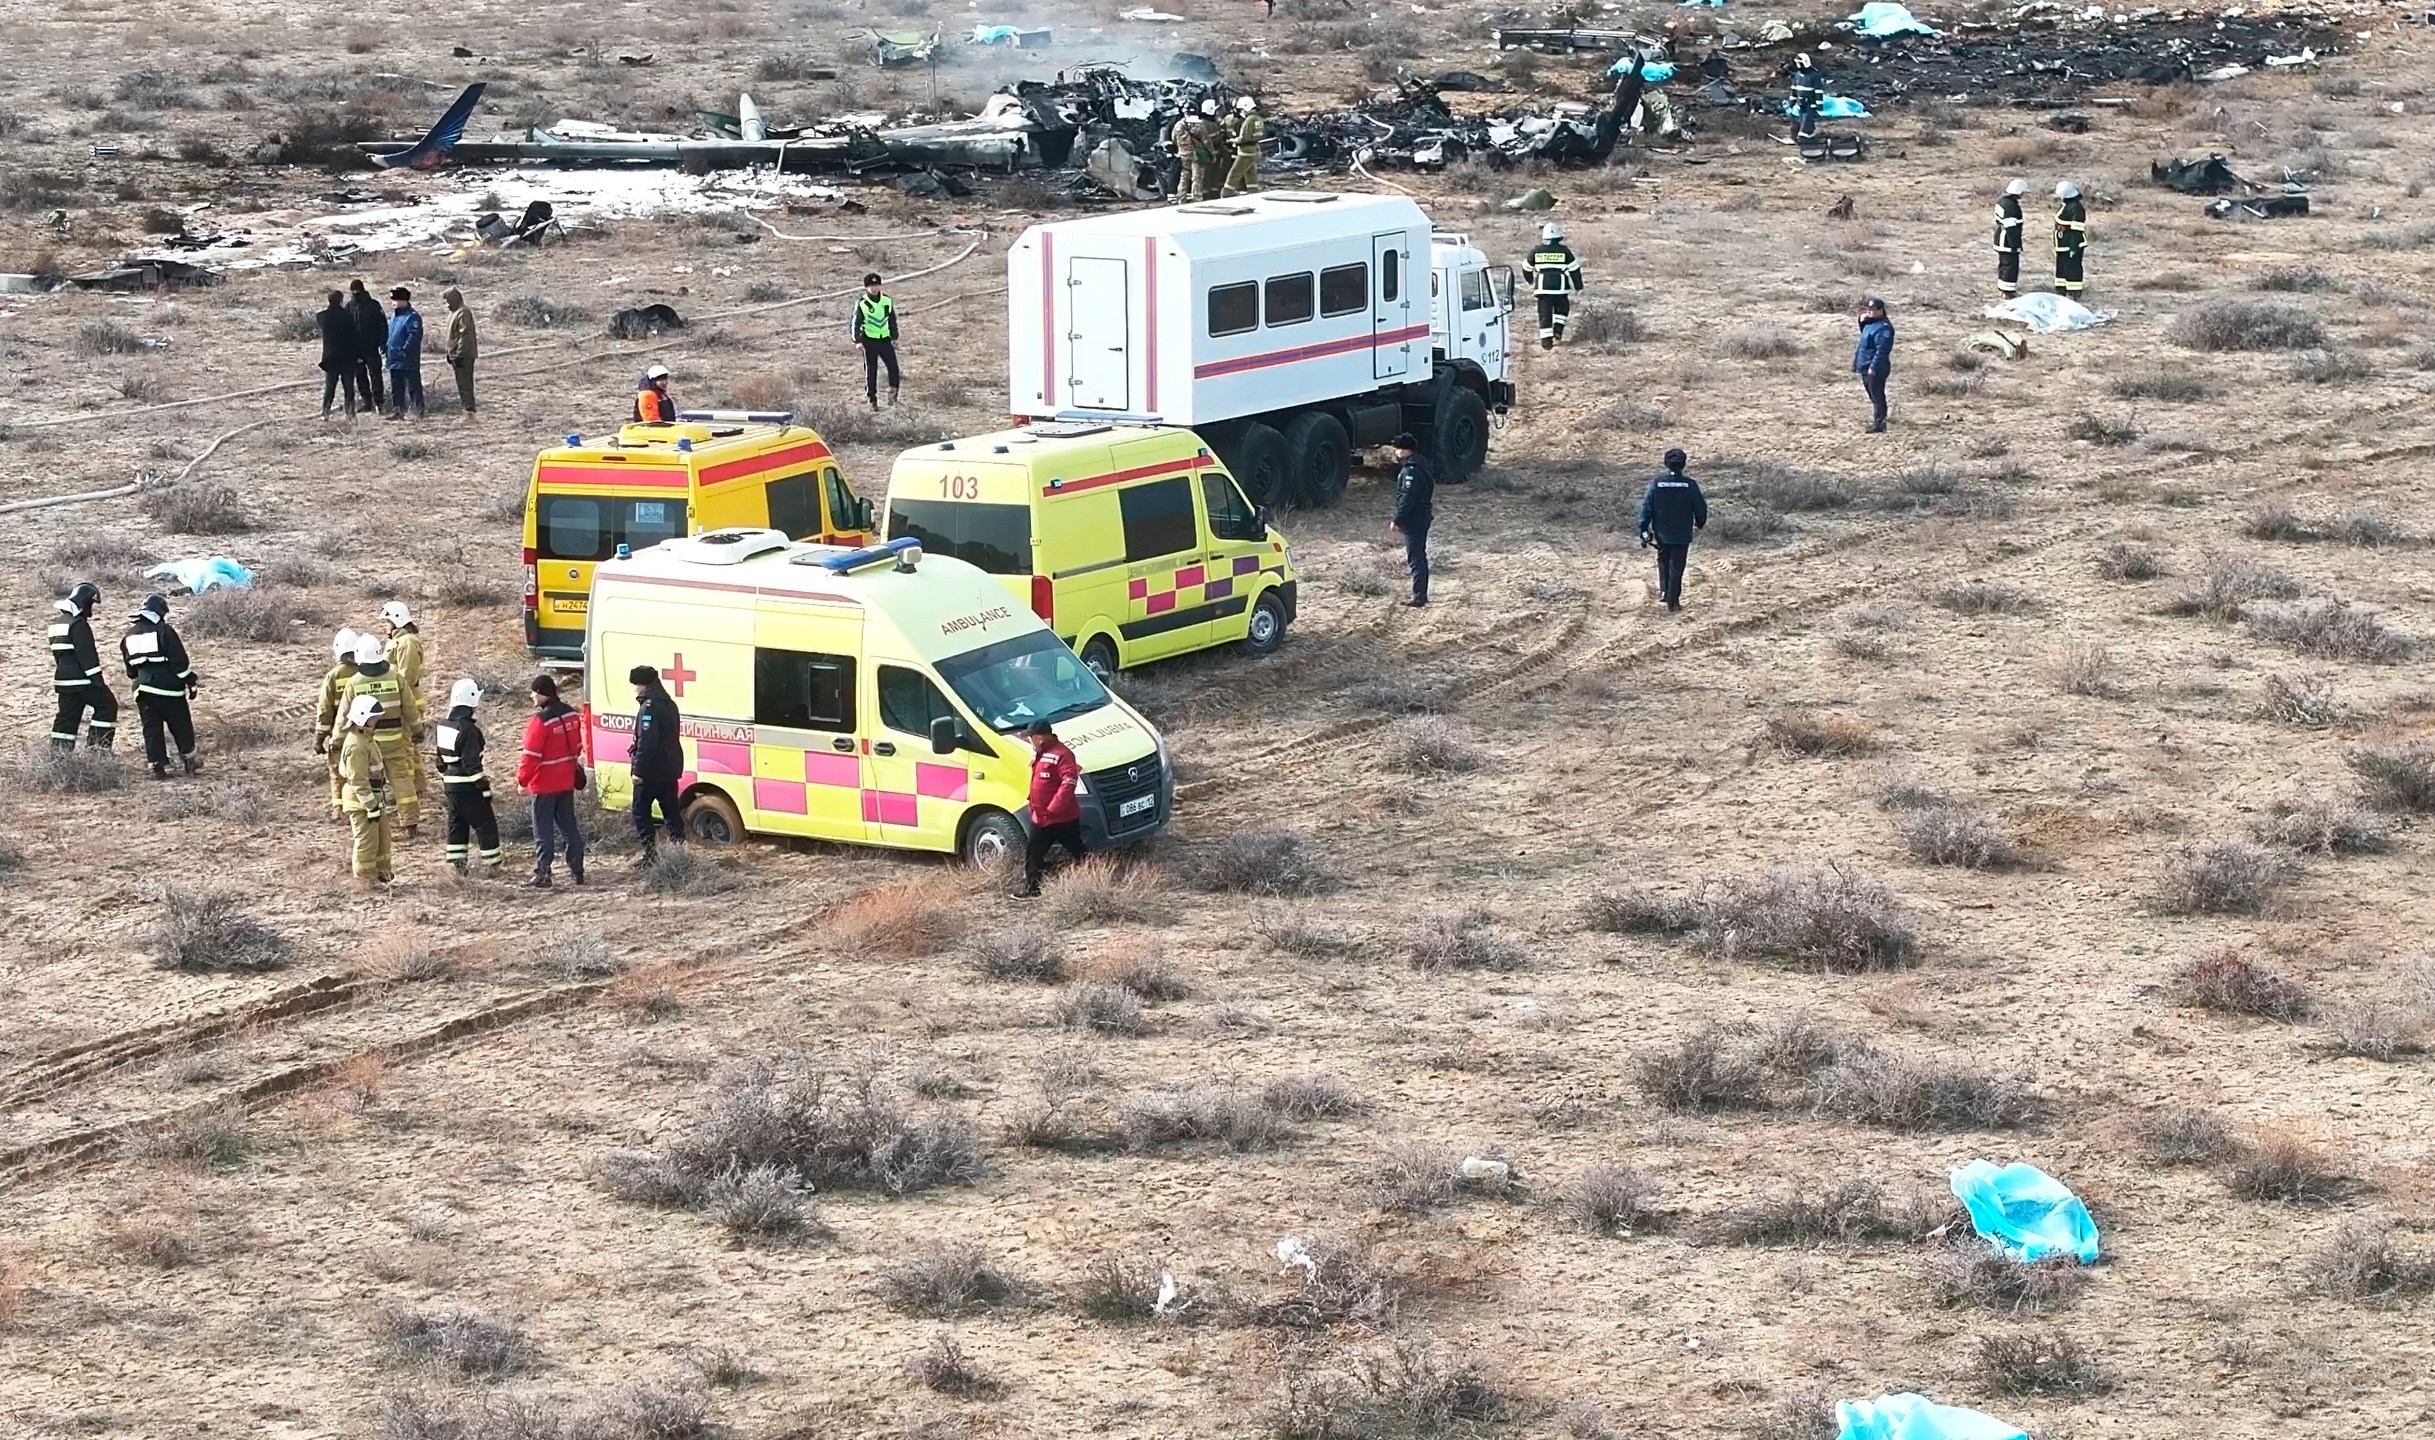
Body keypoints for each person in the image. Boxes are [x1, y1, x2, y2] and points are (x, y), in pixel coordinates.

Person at [332, 635, 421, 836]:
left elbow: (343, 715)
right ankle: (410, 823)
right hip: (394, 740)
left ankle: (371, 818)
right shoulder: (395, 677)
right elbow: (410, 707)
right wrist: (417, 730)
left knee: (366, 780)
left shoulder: (355, 682)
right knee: (401, 780)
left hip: (367, 743)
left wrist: (337, 740)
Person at [516, 673, 587, 888]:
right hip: (566, 780)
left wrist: (522, 780)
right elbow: (578, 745)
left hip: (544, 784)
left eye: (534, 692)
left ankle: (543, 873)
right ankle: (578, 870)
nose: (531, 696)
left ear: (542, 694)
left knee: (543, 830)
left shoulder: (540, 721)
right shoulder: (571, 715)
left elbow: (530, 755)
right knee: (569, 826)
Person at [121, 593, 201, 779]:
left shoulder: (128, 636)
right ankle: (190, 761)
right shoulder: (165, 631)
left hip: (143, 690)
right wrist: (190, 680)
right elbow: (179, 662)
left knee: (151, 728)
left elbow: (130, 670)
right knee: (181, 724)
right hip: (169, 689)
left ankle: (157, 766)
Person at [434, 678, 502, 876]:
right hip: (466, 784)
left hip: (450, 783)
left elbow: (440, 761)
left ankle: (458, 866)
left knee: (457, 823)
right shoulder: (469, 730)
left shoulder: (443, 725)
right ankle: (493, 866)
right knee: (485, 823)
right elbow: (472, 764)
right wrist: (484, 789)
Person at [1016, 719, 1084, 898]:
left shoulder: (1062, 754)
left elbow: (1069, 781)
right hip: (1041, 817)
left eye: (1030, 738)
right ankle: (1032, 889)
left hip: (1062, 818)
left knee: (1078, 850)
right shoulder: (1041, 753)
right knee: (1034, 853)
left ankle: (1094, 876)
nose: (1029, 741)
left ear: (1039, 738)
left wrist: (1055, 807)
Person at [47, 581, 117, 751]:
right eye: (90, 605)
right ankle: (98, 749)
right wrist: (98, 681)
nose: (90, 612)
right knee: (107, 705)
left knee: (66, 718)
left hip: (63, 681)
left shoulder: (56, 624)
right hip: (82, 681)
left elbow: (59, 656)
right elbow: (88, 657)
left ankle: (59, 756)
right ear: (84, 602)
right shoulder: (78, 624)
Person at [1637, 449, 1708, 613]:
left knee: (1663, 559)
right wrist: (1700, 523)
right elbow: (1700, 506)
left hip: (1662, 531)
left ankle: (1664, 591)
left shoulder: (1657, 484)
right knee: (1677, 565)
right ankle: (1673, 600)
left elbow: (1647, 507)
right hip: (1682, 533)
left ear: (1665, 463)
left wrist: (1644, 528)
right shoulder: (1690, 485)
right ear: (1683, 464)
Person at [337, 694, 395, 890]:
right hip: (361, 801)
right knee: (366, 842)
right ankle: (364, 880)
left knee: (382, 838)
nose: (377, 720)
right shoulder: (356, 745)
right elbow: (357, 780)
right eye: (374, 717)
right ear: (362, 718)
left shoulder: (366, 739)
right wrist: (370, 805)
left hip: (373, 798)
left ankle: (381, 874)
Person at [628, 663, 684, 858]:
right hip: (670, 767)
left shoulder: (649, 707)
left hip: (652, 771)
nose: (634, 689)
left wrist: (639, 772)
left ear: (643, 685)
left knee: (640, 811)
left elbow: (647, 742)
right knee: (671, 812)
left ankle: (650, 854)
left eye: (635, 685)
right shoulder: (669, 703)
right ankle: (679, 851)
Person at [315, 627, 362, 819]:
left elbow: (325, 711)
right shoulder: (365, 671)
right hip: (365, 733)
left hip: (340, 734)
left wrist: (319, 737)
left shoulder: (333, 676)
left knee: (337, 772)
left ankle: (339, 809)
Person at [1387, 432, 1434, 608]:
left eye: (1398, 449)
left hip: (1414, 520)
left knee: (1415, 558)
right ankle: (1421, 594)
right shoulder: (1422, 465)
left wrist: (1397, 520)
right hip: (1421, 517)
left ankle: (1419, 597)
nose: (1396, 453)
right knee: (1419, 556)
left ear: (1406, 450)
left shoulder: (1410, 471)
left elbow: (1407, 498)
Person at [1525, 222, 1584, 351]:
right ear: (1558, 237)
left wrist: (1529, 280)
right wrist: (1578, 286)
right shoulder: (1564, 252)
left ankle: (1546, 342)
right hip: (1560, 288)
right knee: (1562, 309)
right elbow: (1575, 269)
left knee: (1544, 314)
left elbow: (1526, 268)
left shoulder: (1536, 251)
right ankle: (1557, 329)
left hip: (1542, 288)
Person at [853, 273, 901, 411]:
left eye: (876, 285)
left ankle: (893, 398)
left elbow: (892, 319)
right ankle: (872, 400)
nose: (874, 288)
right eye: (871, 286)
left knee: (893, 369)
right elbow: (856, 323)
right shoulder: (862, 303)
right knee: (871, 371)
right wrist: (857, 340)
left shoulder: (886, 301)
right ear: (866, 287)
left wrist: (894, 337)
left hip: (885, 340)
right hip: (869, 341)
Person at [315, 290, 361, 419]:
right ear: (341, 301)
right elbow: (354, 337)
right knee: (348, 388)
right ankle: (350, 413)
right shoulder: (347, 316)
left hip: (330, 357)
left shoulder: (321, 316)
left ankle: (325, 412)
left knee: (330, 387)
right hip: (347, 356)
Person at [1853, 296, 1894, 434]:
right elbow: (1865, 336)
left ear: (1880, 310)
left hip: (1875, 367)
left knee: (1877, 396)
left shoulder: (1884, 328)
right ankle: (1878, 420)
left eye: (1872, 310)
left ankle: (1879, 423)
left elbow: (1882, 350)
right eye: (1868, 309)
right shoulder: (1871, 323)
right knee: (1872, 394)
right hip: (1865, 364)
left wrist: (1874, 367)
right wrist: (1861, 321)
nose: (1869, 312)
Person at [385, 286, 426, 419]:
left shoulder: (412, 317)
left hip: (407, 359)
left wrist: (405, 350)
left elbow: (414, 336)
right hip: (394, 358)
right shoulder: (394, 317)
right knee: (396, 388)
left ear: (404, 300)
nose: (393, 302)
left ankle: (417, 411)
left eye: (396, 300)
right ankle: (398, 411)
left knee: (413, 386)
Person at [347, 279, 387, 414]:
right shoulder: (349, 306)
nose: (355, 294)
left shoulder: (373, 305)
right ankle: (367, 402)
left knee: (375, 376)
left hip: (371, 347)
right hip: (355, 349)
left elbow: (382, 326)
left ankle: (379, 403)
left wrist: (382, 343)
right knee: (360, 376)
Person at [379, 600, 426, 712]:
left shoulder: (407, 643)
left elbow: (407, 676)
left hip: (408, 704)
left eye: (387, 622)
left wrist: (398, 699)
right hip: (400, 700)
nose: (385, 626)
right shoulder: (398, 641)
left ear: (397, 620)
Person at [1171, 102, 1218, 202]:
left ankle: (1181, 197)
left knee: (1184, 176)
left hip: (1183, 154)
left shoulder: (1178, 125)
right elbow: (1206, 141)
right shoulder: (1198, 124)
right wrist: (1212, 153)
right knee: (1197, 177)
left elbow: (1174, 139)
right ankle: (1197, 198)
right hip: (1197, 155)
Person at [442, 286, 477, 415]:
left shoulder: (463, 313)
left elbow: (465, 335)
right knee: (461, 385)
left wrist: (459, 355)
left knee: (466, 385)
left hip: (464, 356)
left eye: (447, 301)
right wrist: (449, 353)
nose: (446, 304)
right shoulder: (454, 313)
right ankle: (466, 409)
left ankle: (469, 412)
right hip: (456, 356)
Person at [1221, 96, 1264, 197]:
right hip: (1254, 150)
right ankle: (1253, 191)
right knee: (1250, 172)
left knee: (1235, 173)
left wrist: (1232, 141)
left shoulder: (1249, 120)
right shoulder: (1257, 118)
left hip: (1245, 152)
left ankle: (1227, 192)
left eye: (1241, 110)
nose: (1241, 112)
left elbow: (1244, 138)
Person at [1994, 179, 2027, 297]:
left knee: (2003, 264)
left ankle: (2002, 288)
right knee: (2010, 265)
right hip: (2007, 240)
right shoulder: (2012, 206)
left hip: (2000, 238)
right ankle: (2008, 291)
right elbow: (2011, 228)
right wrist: (2015, 244)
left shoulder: (2002, 202)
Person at [2054, 181, 2088, 295]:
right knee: (2062, 266)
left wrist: (2074, 247)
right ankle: (2061, 289)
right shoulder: (2067, 205)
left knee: (2072, 267)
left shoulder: (2076, 208)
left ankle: (2074, 291)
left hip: (2071, 243)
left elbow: (2077, 230)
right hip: (2062, 243)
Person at [1788, 53, 1825, 143]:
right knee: (1800, 120)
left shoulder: (1814, 75)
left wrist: (1819, 105)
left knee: (1807, 120)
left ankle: (1805, 135)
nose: (1798, 66)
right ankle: (1804, 135)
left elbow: (1818, 91)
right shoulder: (1797, 75)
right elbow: (1794, 89)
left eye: (1799, 63)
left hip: (1810, 104)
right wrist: (1791, 101)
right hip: (1800, 104)